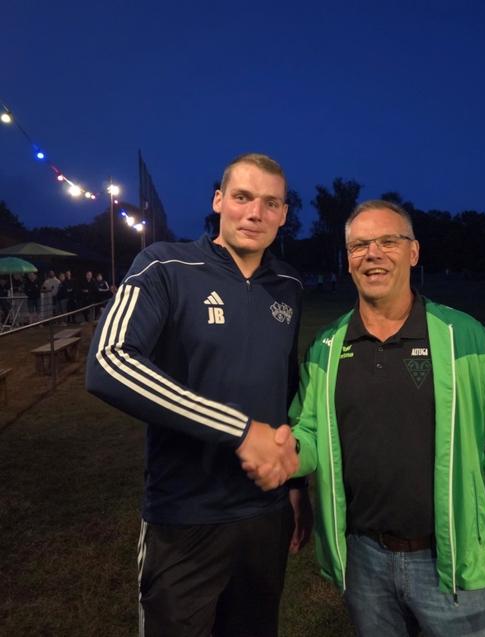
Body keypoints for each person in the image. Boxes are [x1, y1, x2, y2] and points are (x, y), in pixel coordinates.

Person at [288, 200, 485, 637]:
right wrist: (285, 455)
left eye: (388, 241)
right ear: (348, 260)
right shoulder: (327, 346)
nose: (373, 254)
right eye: (359, 245)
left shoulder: (464, 336)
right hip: (363, 560)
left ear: (413, 252)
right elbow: (309, 432)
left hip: (452, 564)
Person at [86, 153, 311, 637]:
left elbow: (286, 385)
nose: (255, 213)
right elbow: (109, 361)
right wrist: (239, 430)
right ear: (218, 201)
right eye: (243, 197)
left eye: (271, 203)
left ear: (284, 215)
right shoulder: (164, 265)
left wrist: (296, 483)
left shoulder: (289, 285)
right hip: (184, 516)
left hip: (264, 514)